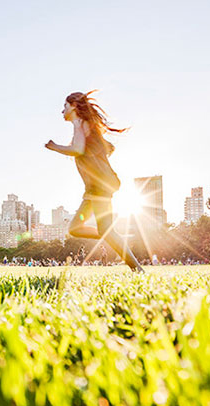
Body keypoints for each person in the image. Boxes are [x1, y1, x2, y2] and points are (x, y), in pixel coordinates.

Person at [45, 91, 144, 272]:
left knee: (105, 230)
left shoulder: (79, 123)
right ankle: (112, 236)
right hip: (94, 187)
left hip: (99, 186)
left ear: (74, 106)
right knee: (75, 228)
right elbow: (109, 147)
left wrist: (54, 147)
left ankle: (136, 267)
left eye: (65, 106)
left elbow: (77, 148)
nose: (62, 111)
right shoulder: (87, 125)